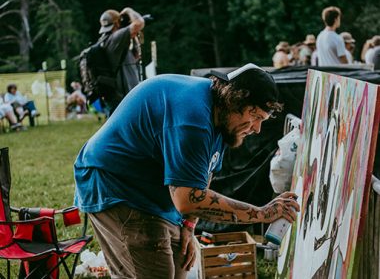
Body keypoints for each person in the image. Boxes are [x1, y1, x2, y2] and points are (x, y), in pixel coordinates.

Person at [73, 63, 300, 278]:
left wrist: (189, 227)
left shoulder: (221, 116)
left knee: (180, 264)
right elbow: (187, 199)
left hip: (151, 187)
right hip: (115, 185)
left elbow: (204, 176)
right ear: (235, 100)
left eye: (263, 119)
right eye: (255, 116)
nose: (258, 129)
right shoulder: (194, 119)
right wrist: (261, 214)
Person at [97, 7, 145, 116]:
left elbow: (135, 57)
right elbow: (139, 23)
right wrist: (129, 11)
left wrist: (132, 36)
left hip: (120, 98)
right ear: (117, 23)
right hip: (123, 98)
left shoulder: (107, 42)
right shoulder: (115, 38)